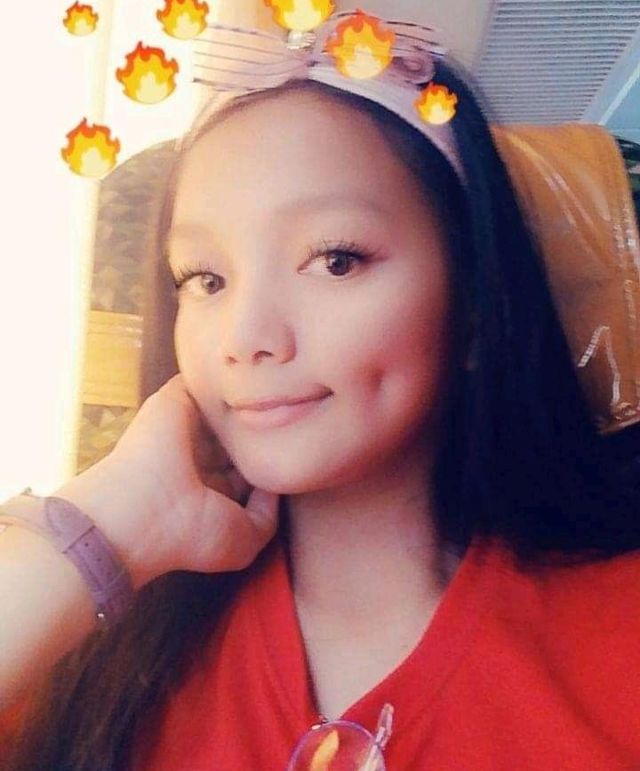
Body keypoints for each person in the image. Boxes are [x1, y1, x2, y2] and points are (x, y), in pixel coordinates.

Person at [1, 6, 640, 770]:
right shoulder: (77, 634)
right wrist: (101, 531)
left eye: (335, 259)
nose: (245, 336)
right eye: (205, 278)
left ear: (476, 301)